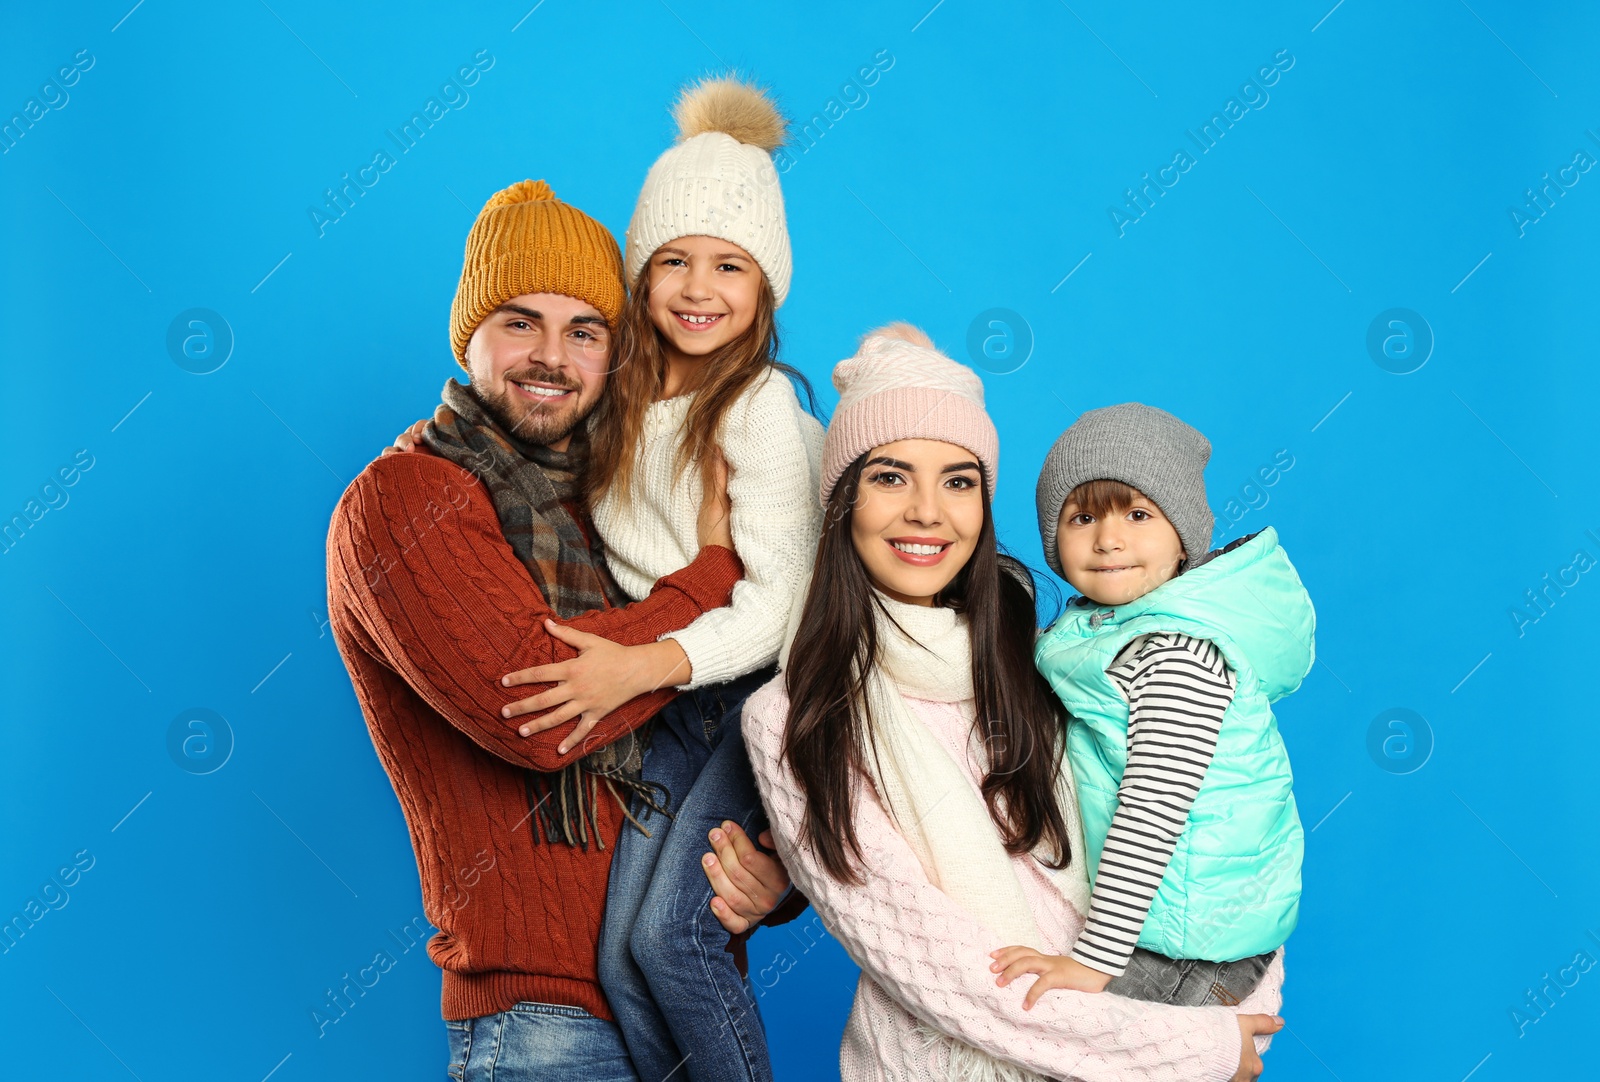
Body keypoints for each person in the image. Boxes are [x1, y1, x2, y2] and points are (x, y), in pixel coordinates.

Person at [326, 178, 795, 1082]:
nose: (552, 356)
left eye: (585, 330)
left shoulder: (616, 503)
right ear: (468, 336)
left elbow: (719, 716)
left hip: (686, 999)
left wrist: (769, 879)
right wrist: (713, 570)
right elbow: (537, 709)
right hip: (545, 1029)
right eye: (519, 322)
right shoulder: (404, 503)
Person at [744, 325, 1286, 1082]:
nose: (928, 512)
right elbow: (945, 976)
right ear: (842, 499)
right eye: (892, 477)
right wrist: (1196, 1049)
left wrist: (1231, 999)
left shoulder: (1043, 659)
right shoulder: (793, 717)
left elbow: (1208, 834)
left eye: (959, 480)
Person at [492, 76, 822, 1082]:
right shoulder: (615, 401)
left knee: (676, 940)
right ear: (638, 276)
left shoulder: (760, 407)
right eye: (672, 260)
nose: (697, 287)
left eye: (730, 265)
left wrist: (643, 661)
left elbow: (781, 607)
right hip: (671, 702)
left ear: (765, 286)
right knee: (619, 954)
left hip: (754, 693)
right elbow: (519, 420)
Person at [992, 404, 1312, 1009]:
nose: (1109, 539)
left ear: (1184, 534)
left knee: (1068, 1038)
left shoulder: (1175, 655)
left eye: (1138, 514)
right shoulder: (1104, 628)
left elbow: (1153, 809)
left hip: (1188, 940)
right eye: (1081, 516)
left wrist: (1091, 961)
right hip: (1163, 921)